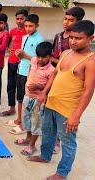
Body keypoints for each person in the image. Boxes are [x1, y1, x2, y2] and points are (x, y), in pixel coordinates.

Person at [28, 20, 95, 180]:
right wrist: (44, 93)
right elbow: (54, 75)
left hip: (67, 110)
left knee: (67, 142)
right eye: (71, 37)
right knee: (48, 133)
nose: (72, 41)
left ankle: (62, 173)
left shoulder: (90, 62)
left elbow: (88, 91)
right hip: (51, 103)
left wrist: (76, 116)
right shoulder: (66, 54)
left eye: (78, 38)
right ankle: (45, 156)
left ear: (91, 38)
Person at [50, 6, 85, 154]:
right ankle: (53, 138)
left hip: (70, 80)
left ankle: (59, 140)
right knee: (51, 110)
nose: (66, 22)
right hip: (56, 74)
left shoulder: (79, 43)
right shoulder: (58, 36)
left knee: (64, 113)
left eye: (71, 20)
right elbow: (54, 55)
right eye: (65, 18)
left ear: (78, 22)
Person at [14, 42, 55, 156]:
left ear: (50, 56)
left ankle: (32, 146)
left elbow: (50, 86)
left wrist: (38, 87)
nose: (40, 59)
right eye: (39, 56)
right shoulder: (34, 61)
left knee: (36, 123)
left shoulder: (51, 70)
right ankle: (27, 139)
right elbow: (28, 60)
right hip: (27, 97)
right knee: (26, 120)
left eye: (44, 57)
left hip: (38, 100)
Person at [9, 14, 45, 135]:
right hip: (21, 70)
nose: (28, 28)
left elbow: (40, 60)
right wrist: (19, 55)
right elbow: (23, 56)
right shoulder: (25, 37)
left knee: (27, 101)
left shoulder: (40, 40)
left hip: (30, 73)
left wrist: (25, 56)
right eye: (26, 26)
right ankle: (19, 120)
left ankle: (25, 126)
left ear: (37, 25)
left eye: (31, 26)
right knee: (19, 98)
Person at [0, 9, 28, 117]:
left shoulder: (28, 32)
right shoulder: (12, 31)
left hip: (22, 64)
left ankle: (22, 114)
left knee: (21, 88)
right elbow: (9, 43)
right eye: (17, 19)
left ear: (26, 19)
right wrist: (10, 49)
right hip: (11, 62)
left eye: (22, 19)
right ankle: (11, 108)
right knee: (10, 86)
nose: (19, 21)